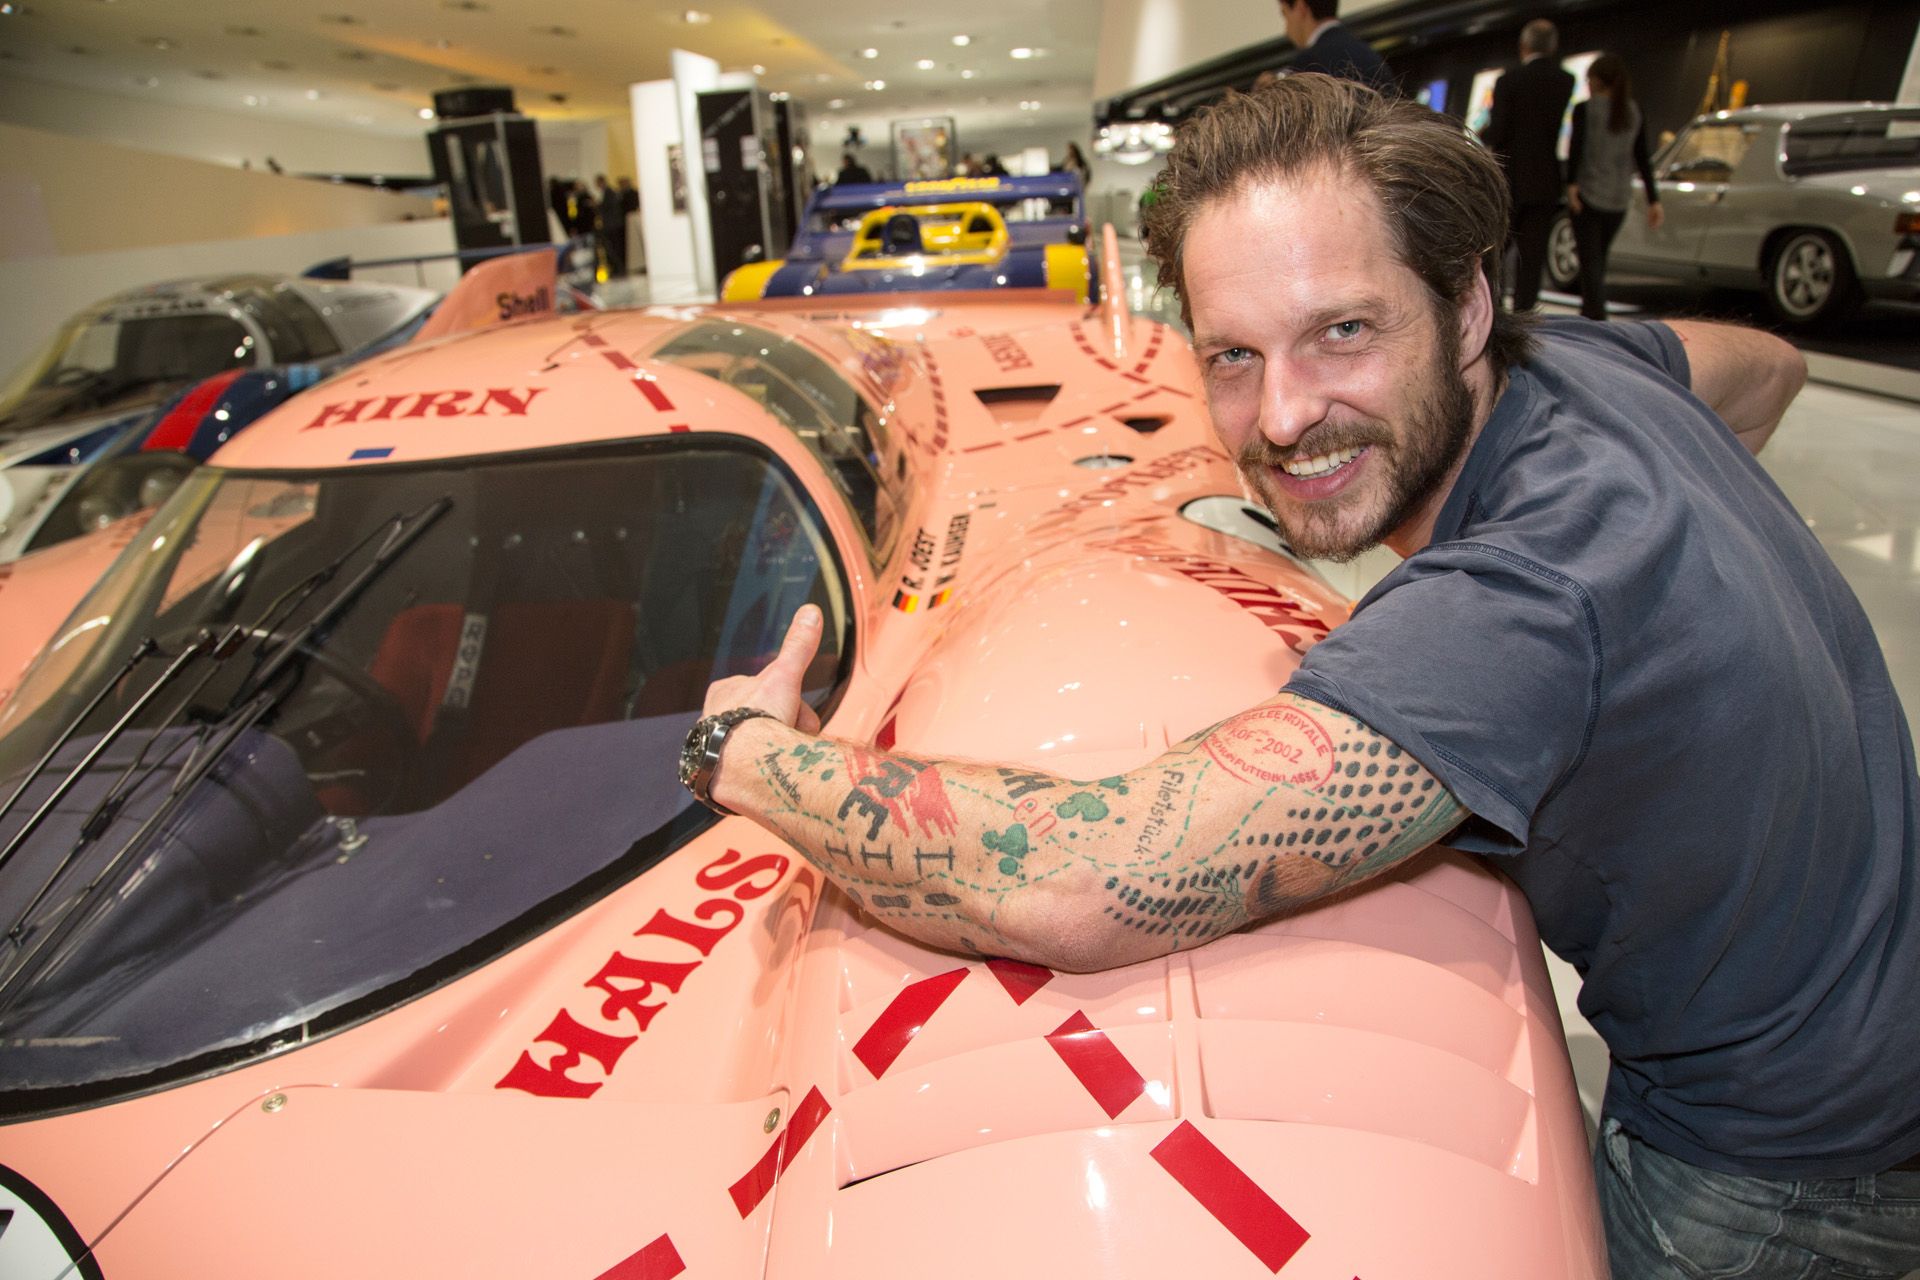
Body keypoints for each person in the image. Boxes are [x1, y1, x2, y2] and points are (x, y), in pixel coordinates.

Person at [686, 75, 1920, 1278]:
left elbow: (1095, 879)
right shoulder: (1594, 371)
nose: (1281, 417)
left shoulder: (1516, 608)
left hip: (1777, 1180)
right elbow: (1767, 366)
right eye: (1233, 354)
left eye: (1344, 331)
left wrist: (748, 752)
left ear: (1469, 307)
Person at [1480, 19, 1575, 312]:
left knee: (1493, 254)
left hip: (1509, 179)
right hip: (1545, 180)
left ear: (1524, 46)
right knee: (1532, 258)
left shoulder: (1509, 80)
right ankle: (1523, 319)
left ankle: (1490, 314)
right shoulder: (1565, 81)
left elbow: (1497, 131)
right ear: (1553, 46)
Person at [1567, 54, 1663, 320]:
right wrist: (1654, 199)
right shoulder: (1634, 111)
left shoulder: (1586, 109)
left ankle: (1595, 318)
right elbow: (1643, 157)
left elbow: (1577, 150)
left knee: (1590, 263)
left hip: (1588, 195)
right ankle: (1591, 315)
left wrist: (1571, 185)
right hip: (1619, 199)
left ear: (1596, 81)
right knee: (1598, 261)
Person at [1276, 0, 1393, 94]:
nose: (1286, 31)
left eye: (1285, 14)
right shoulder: (1368, 53)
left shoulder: (1309, 63)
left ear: (1300, 7)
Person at [596, 174, 626, 278]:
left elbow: (609, 209)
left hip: (612, 226)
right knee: (613, 247)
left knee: (614, 248)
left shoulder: (609, 193)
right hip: (612, 225)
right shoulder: (609, 193)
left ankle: (618, 268)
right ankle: (617, 268)